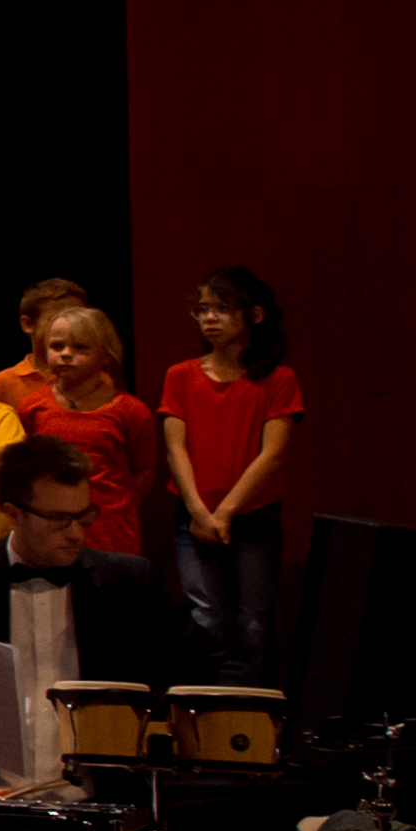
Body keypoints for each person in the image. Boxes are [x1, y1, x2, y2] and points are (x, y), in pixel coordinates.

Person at [0, 440, 192, 795]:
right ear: (12, 513)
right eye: (58, 519)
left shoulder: (129, 582)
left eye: (84, 516)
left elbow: (204, 666)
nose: (75, 533)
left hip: (101, 804)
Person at [157, 265, 299, 684]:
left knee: (253, 618)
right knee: (205, 615)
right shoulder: (181, 375)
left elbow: (272, 455)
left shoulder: (277, 378)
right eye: (202, 309)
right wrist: (199, 511)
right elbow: (175, 448)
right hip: (193, 512)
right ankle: (206, 703)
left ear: (254, 314)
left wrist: (226, 512)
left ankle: (250, 706)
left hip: (253, 513)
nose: (209, 318)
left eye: (221, 308)